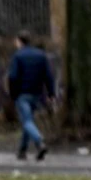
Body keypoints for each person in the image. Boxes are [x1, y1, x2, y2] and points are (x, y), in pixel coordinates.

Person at [7, 32, 55, 161]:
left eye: (16, 41)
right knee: (28, 121)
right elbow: (48, 76)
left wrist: (13, 94)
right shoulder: (41, 55)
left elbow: (13, 77)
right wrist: (51, 93)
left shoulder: (18, 56)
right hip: (37, 94)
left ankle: (39, 142)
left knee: (27, 121)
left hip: (22, 94)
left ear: (19, 41)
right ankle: (22, 150)